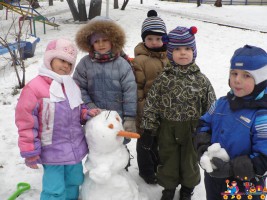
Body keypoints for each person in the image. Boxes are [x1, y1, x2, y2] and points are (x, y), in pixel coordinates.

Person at [15, 38, 100, 200]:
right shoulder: (35, 89)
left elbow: (77, 108)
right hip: (51, 151)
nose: (66, 66)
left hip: (73, 149)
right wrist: (30, 150)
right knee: (54, 188)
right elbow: (26, 122)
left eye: (70, 64)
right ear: (50, 59)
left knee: (74, 181)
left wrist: (85, 114)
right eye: (62, 60)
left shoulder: (71, 85)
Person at [140, 26, 216, 200]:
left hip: (193, 130)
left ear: (194, 51)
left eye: (188, 49)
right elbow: (152, 104)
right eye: (178, 49)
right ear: (170, 53)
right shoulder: (163, 79)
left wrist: (211, 130)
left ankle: (187, 189)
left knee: (190, 162)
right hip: (167, 129)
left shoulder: (201, 80)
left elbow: (211, 107)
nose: (183, 53)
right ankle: (168, 188)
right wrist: (148, 129)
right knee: (168, 161)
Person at [193, 45, 267, 200]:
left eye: (246, 75)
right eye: (234, 73)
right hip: (214, 180)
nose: (237, 80)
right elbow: (203, 124)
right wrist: (202, 146)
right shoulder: (221, 103)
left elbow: (264, 159)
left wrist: (231, 169)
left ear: (261, 79)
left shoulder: (262, 115)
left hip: (246, 188)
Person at [73, 16, 137, 142]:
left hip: (118, 118)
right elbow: (78, 88)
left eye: (105, 40)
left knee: (118, 146)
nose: (101, 44)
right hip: (94, 117)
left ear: (113, 41)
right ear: (91, 43)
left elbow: (130, 91)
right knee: (97, 146)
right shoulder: (85, 64)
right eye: (96, 41)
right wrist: (90, 107)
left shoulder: (122, 64)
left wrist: (130, 117)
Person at [132, 9, 168, 185]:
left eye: (158, 38)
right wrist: (143, 108)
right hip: (146, 110)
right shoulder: (139, 61)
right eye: (150, 39)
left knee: (160, 141)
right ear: (143, 39)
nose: (154, 42)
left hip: (165, 111)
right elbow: (137, 87)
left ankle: (158, 166)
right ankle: (146, 171)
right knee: (145, 143)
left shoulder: (169, 58)